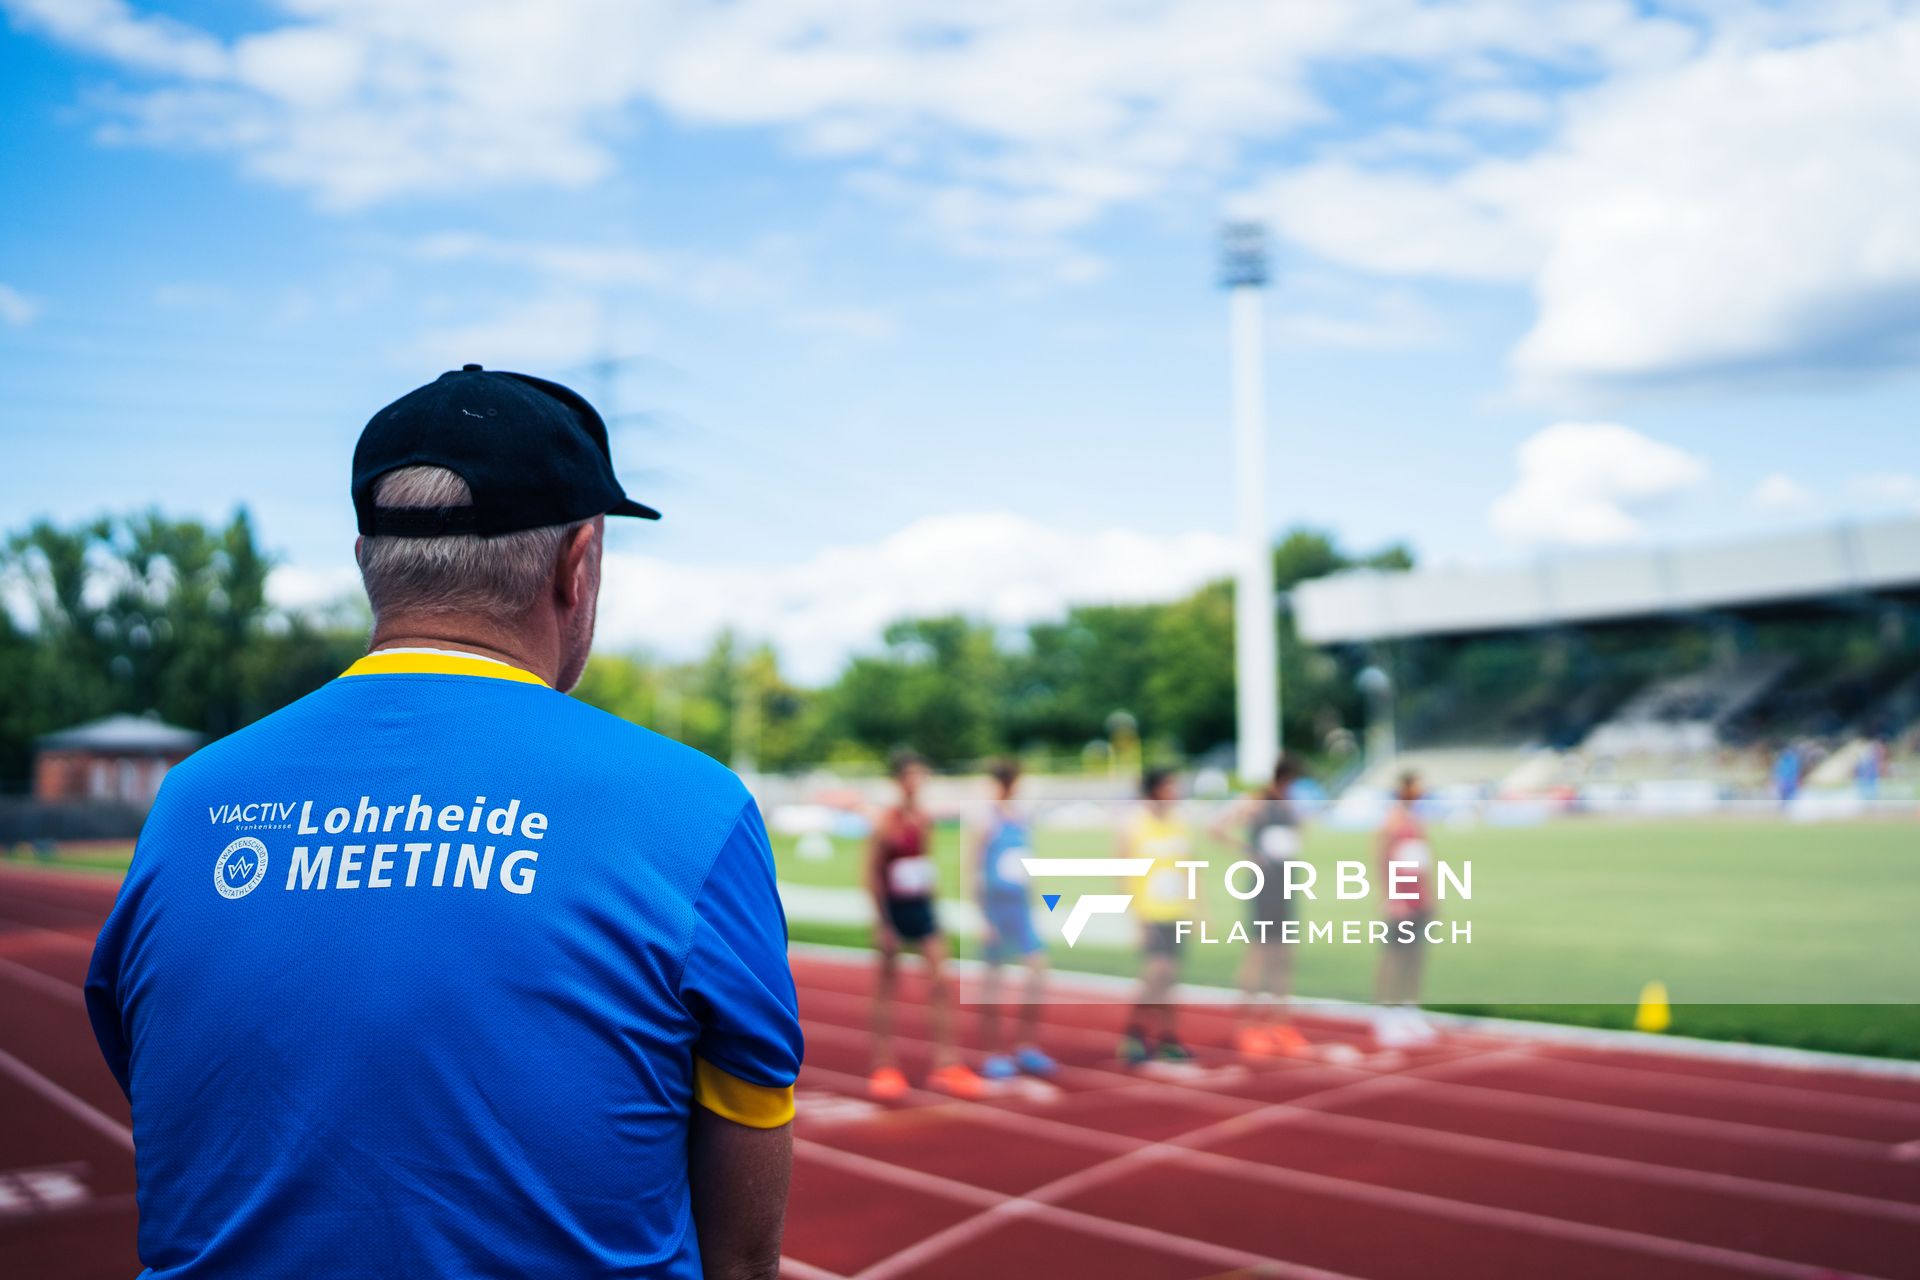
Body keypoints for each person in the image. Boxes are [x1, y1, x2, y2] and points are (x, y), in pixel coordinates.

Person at [85, 365, 801, 1280]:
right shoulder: (696, 811)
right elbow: (741, 1259)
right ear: (576, 564)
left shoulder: (189, 804)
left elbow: (181, 1108)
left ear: (366, 562)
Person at [866, 750, 985, 1100]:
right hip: (894, 907)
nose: (916, 782)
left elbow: (926, 862)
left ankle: (946, 1063)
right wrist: (882, 922)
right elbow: (871, 873)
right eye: (910, 776)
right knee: (888, 987)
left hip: (921, 906)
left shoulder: (924, 819)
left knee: (941, 982)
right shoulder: (885, 821)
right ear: (898, 780)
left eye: (921, 775)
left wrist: (936, 907)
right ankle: (884, 1065)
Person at [1208, 755, 1310, 1057]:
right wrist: (1247, 851)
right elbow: (1216, 826)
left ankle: (1280, 1024)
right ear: (1283, 777)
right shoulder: (1257, 801)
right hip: (1263, 886)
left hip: (1287, 883)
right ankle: (1247, 1027)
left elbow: (1298, 833)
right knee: (1258, 953)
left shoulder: (1290, 805)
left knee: (1285, 955)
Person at [974, 759, 1056, 1080]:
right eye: (1004, 781)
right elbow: (974, 872)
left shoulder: (1022, 819)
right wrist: (983, 918)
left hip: (1021, 909)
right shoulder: (986, 821)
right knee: (993, 980)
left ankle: (1026, 1045)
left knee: (1038, 972)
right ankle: (993, 1052)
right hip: (996, 908)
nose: (1009, 787)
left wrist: (1037, 905)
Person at [1118, 767, 1196, 1065]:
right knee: (1155, 975)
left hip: (1177, 911)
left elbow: (1190, 867)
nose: (1175, 792)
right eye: (1169, 787)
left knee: (1171, 979)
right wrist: (1134, 914)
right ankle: (1134, 1033)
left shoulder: (1180, 823)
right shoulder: (1134, 825)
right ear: (1154, 790)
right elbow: (1123, 873)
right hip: (1150, 912)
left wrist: (1197, 908)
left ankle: (1168, 1038)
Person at [1374, 770, 1437, 1046]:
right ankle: (1386, 1015)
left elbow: (1424, 862)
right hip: (1401, 900)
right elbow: (1381, 859)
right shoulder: (1393, 819)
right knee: (1394, 957)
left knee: (1416, 957)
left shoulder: (1416, 820)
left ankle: (1410, 1010)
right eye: (1417, 786)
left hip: (1419, 898)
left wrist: (1430, 896)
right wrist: (1391, 897)